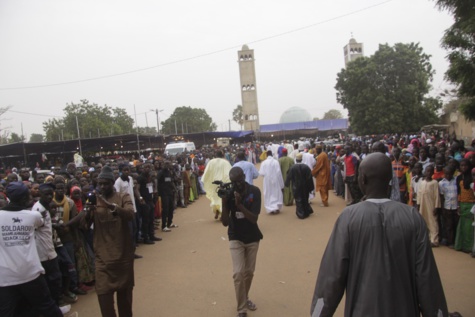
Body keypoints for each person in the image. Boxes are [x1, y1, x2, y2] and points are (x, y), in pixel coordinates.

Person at [310, 153, 448, 317]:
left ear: (363, 179)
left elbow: (331, 277)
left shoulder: (348, 218)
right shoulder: (412, 217)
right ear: (390, 180)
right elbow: (427, 278)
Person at [0, 182, 63, 317]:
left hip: (5, 277)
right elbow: (41, 223)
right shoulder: (32, 216)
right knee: (47, 306)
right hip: (30, 273)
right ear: (23, 198)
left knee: (8, 312)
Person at [82, 166, 136, 317]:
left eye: (106, 183)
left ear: (112, 183)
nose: (102, 187)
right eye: (100, 184)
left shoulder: (123, 196)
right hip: (103, 259)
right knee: (104, 299)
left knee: (125, 300)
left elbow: (130, 214)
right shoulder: (94, 200)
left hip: (123, 256)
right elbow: (84, 226)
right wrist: (87, 211)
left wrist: (112, 207)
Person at [221, 167, 263, 317]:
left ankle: (245, 297)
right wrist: (225, 204)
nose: (236, 184)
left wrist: (239, 205)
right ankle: (242, 309)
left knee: (249, 272)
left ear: (244, 176)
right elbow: (225, 222)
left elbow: (253, 218)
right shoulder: (230, 193)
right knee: (238, 273)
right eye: (233, 182)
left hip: (252, 237)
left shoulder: (255, 191)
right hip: (235, 236)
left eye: (239, 180)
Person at [202, 150, 232, 219]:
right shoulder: (225, 162)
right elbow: (229, 172)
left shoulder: (211, 162)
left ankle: (217, 212)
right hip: (223, 183)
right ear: (222, 155)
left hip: (214, 183)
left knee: (215, 198)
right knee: (222, 198)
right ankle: (222, 213)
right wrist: (229, 181)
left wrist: (206, 180)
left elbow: (206, 172)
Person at [417, 165, 441, 247]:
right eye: (427, 171)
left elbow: (437, 195)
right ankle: (425, 239)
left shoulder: (435, 183)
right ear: (425, 172)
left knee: (433, 221)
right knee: (423, 221)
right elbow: (419, 194)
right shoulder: (422, 182)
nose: (429, 173)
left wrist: (436, 207)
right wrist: (418, 204)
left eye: (430, 171)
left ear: (433, 173)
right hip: (423, 205)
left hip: (431, 204)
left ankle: (434, 240)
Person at [285, 153, 314, 219]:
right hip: (305, 187)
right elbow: (310, 178)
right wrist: (311, 188)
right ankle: (306, 212)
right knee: (305, 198)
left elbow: (288, 176)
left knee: (298, 200)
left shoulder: (292, 168)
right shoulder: (306, 167)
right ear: (301, 159)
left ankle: (301, 214)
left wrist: (286, 184)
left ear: (296, 159)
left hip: (296, 186)